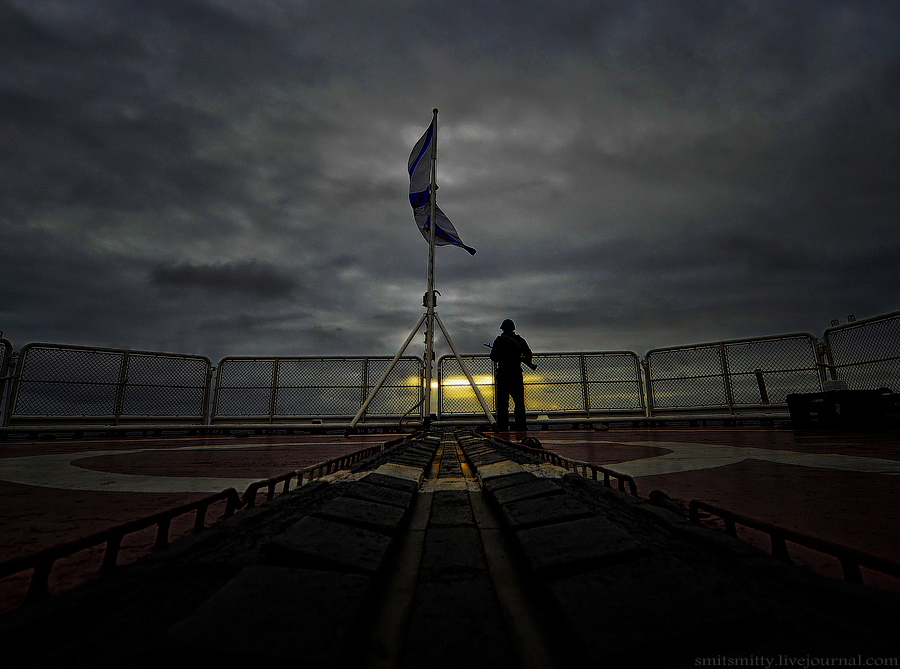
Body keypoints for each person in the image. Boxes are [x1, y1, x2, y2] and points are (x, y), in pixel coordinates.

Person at [489, 319, 533, 431]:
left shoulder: (499, 340)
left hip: (503, 374)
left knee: (502, 403)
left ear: (502, 328)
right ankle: (521, 425)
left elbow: (493, 357)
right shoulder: (520, 340)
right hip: (516, 373)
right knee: (519, 402)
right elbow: (528, 354)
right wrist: (521, 358)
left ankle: (503, 426)